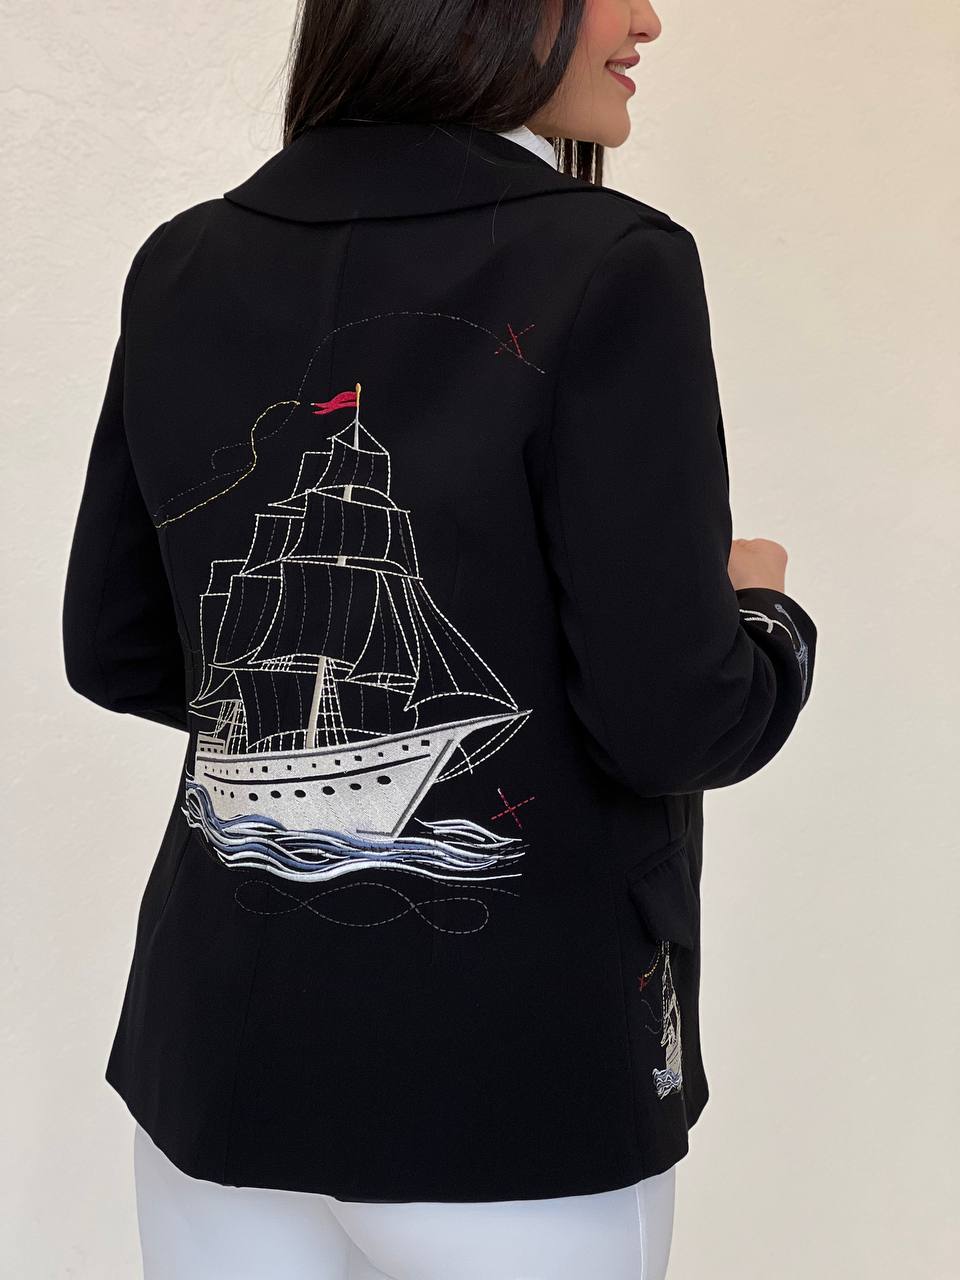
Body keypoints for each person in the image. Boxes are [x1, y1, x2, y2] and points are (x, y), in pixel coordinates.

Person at [60, 2, 818, 1277]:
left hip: (217, 1074)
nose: (647, 18)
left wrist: (290, 686)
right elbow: (671, 721)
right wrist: (764, 618)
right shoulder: (613, 261)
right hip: (520, 1100)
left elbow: (117, 646)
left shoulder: (182, 259)